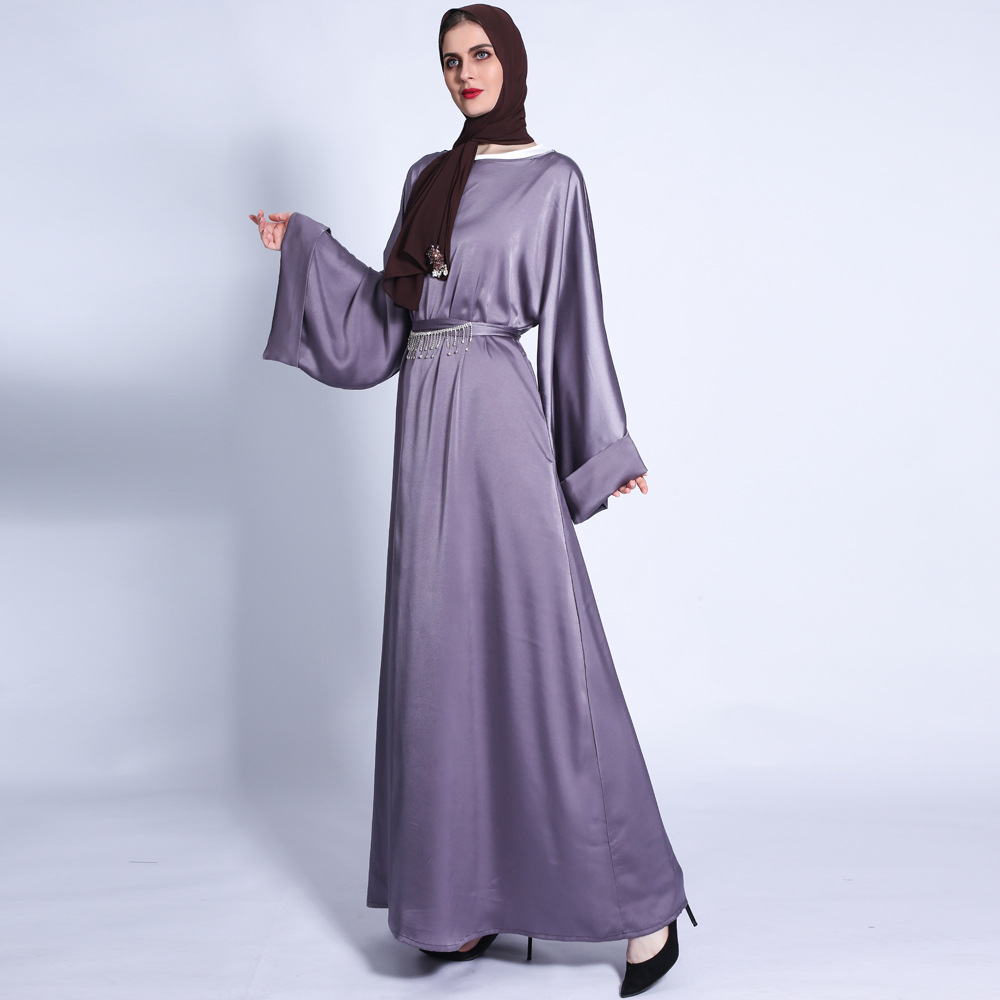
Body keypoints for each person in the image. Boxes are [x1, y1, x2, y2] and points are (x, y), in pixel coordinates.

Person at [249, 5, 695, 996]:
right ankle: (462, 902)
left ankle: (646, 907)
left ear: (511, 61)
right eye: (449, 60)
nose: (464, 73)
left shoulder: (554, 181)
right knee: (442, 662)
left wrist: (602, 449)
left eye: (480, 54)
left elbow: (575, 317)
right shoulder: (427, 178)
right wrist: (304, 248)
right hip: (425, 429)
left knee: (549, 662)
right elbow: (387, 321)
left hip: (499, 422)